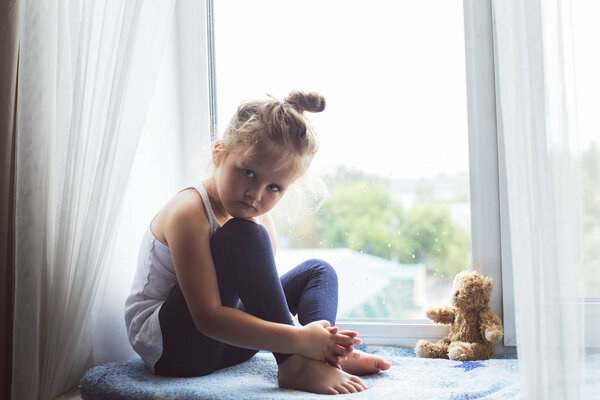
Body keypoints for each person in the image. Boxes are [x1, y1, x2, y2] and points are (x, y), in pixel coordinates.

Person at [124, 90, 391, 395]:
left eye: (274, 187)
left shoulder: (260, 220)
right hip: (175, 349)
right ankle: (296, 362)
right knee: (244, 234)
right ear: (219, 154)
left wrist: (314, 339)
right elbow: (207, 318)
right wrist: (300, 339)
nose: (256, 195)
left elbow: (263, 301)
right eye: (248, 172)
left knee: (318, 271)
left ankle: (328, 357)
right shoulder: (189, 211)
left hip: (229, 344)